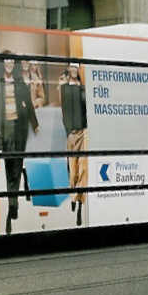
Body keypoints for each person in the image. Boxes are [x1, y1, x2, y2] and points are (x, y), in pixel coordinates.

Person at [0, 53, 39, 234]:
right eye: (6, 61)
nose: (9, 63)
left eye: (12, 61)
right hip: (5, 128)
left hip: (19, 127)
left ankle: (12, 204)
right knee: (9, 168)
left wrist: (35, 124)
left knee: (16, 166)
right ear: (2, 63)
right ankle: (11, 200)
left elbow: (28, 103)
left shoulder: (18, 81)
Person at [59, 62, 88, 226]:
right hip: (71, 133)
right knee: (73, 169)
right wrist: (68, 132)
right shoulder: (64, 87)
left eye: (76, 67)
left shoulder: (83, 88)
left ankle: (79, 205)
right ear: (69, 69)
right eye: (72, 67)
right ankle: (73, 197)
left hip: (83, 131)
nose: (74, 69)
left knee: (83, 168)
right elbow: (64, 112)